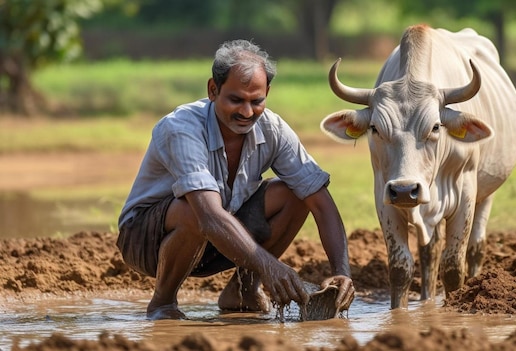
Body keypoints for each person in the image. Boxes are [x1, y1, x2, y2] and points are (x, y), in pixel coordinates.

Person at [116, 39, 355, 320]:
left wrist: (342, 272)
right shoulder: (181, 127)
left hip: (221, 237)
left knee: (295, 194)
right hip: (147, 241)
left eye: (257, 101)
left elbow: (320, 202)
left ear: (267, 93)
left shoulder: (274, 129)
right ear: (213, 90)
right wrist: (269, 265)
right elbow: (208, 215)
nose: (246, 112)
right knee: (193, 209)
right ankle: (163, 302)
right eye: (236, 100)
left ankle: (243, 290)